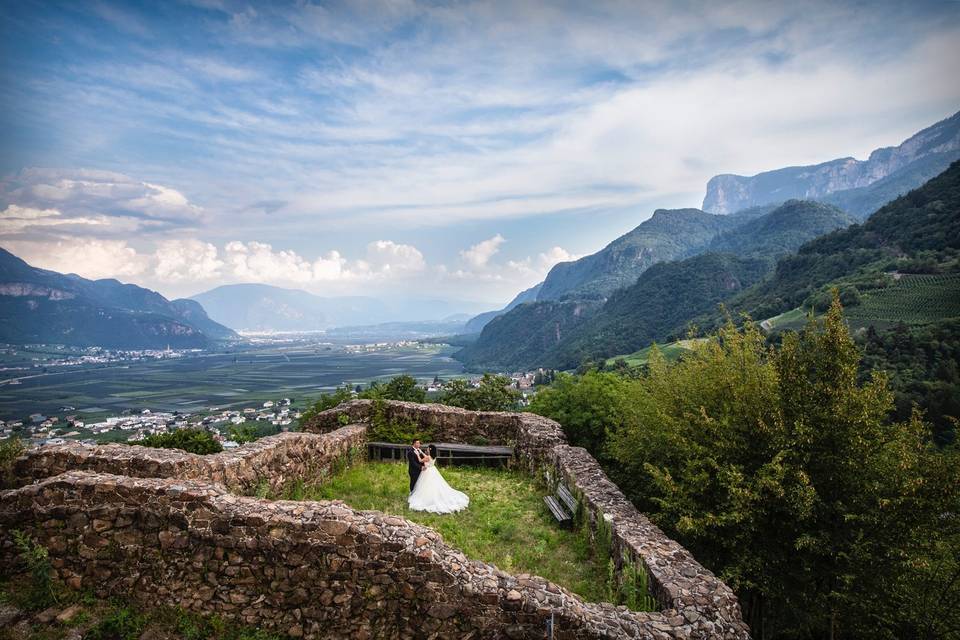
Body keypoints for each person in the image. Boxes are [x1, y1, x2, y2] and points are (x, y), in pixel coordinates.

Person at [408, 444, 469, 513]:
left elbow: (420, 460)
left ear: (430, 449)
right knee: (434, 484)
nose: (427, 449)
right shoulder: (433, 456)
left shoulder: (428, 457)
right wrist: (421, 452)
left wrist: (417, 454)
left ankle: (428, 498)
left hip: (427, 471)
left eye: (428, 448)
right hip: (433, 470)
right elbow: (427, 457)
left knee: (426, 485)